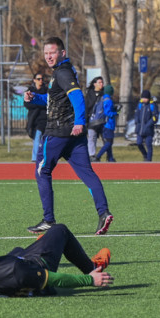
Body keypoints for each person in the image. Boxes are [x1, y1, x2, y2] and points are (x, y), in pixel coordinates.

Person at [23, 37, 113, 236]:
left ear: (62, 53)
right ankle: (103, 212)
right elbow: (54, 98)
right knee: (87, 174)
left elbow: (77, 97)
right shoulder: (64, 72)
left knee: (42, 171)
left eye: (52, 53)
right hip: (73, 136)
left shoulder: (62, 73)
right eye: (46, 53)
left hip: (58, 132)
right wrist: (35, 97)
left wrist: (80, 121)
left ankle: (48, 220)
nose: (48, 57)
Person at [0, 223, 113, 297]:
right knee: (60, 231)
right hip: (36, 264)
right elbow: (56, 279)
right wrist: (90, 279)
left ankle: (42, 242)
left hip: (18, 263)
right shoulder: (16, 269)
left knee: (17, 250)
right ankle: (92, 267)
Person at [24, 73, 48, 163]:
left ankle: (35, 158)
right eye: (38, 79)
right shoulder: (30, 90)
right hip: (33, 117)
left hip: (43, 118)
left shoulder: (46, 90)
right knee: (35, 137)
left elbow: (47, 102)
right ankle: (38, 156)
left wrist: (37, 103)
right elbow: (26, 103)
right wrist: (38, 104)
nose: (40, 81)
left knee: (39, 136)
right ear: (34, 80)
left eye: (42, 79)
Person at [94, 84, 118, 162]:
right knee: (109, 142)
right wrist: (116, 113)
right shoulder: (108, 100)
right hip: (108, 124)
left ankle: (110, 158)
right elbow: (108, 113)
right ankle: (98, 156)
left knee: (108, 141)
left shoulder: (102, 99)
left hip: (103, 123)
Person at [133, 89, 158, 162]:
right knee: (139, 143)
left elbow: (155, 118)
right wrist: (137, 122)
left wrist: (148, 125)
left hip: (148, 130)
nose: (144, 99)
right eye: (143, 98)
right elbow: (137, 114)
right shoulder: (140, 105)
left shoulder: (152, 105)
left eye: (145, 98)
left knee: (148, 144)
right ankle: (145, 155)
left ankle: (149, 159)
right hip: (140, 129)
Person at [85, 76, 106, 157]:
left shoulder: (104, 94)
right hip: (92, 120)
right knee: (91, 137)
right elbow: (87, 108)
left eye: (102, 82)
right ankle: (92, 155)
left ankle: (108, 155)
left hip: (103, 120)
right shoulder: (90, 94)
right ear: (94, 84)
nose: (101, 84)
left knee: (106, 139)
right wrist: (86, 121)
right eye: (99, 82)